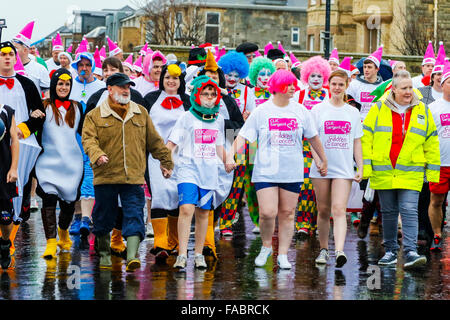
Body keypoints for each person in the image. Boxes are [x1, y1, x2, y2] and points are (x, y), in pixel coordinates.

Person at [228, 69, 327, 269]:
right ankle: (266, 246)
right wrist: (231, 155)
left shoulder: (300, 110)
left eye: (293, 84)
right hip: (266, 169)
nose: (293, 88)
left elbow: (313, 137)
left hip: (292, 169)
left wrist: (322, 160)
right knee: (267, 212)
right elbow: (243, 136)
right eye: (288, 85)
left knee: (288, 213)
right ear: (277, 87)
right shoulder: (262, 111)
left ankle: (282, 254)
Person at [82, 73, 174, 271]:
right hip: (105, 175)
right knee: (104, 216)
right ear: (110, 89)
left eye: (128, 87)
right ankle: (105, 254)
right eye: (122, 87)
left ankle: (132, 256)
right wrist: (97, 155)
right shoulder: (95, 115)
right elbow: (88, 140)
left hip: (133, 175)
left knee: (134, 214)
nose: (126, 90)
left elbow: (154, 141)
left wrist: (166, 161)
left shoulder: (140, 112)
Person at [362, 70, 440, 269]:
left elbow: (431, 141)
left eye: (410, 88)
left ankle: (411, 252)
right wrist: (366, 168)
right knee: (388, 212)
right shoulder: (378, 109)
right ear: (394, 90)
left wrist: (432, 173)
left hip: (411, 171)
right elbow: (366, 139)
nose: (408, 92)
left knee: (409, 210)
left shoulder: (422, 109)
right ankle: (390, 251)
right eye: (404, 88)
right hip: (384, 169)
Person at [168, 75, 233, 269]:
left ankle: (198, 254)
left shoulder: (219, 120)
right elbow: (171, 143)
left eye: (213, 94)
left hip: (209, 171)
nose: (210, 97)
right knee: (186, 209)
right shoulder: (186, 117)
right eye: (205, 93)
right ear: (197, 95)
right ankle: (181, 254)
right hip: (187, 168)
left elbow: (219, 146)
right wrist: (165, 162)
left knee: (204, 212)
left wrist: (228, 160)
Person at [310, 70, 363, 268]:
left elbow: (357, 142)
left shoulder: (353, 112)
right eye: (334, 84)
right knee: (323, 210)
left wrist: (360, 166)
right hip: (322, 168)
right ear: (328, 85)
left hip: (343, 168)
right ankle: (324, 249)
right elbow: (311, 139)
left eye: (341, 84)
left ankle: (339, 251)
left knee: (340, 209)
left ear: (347, 86)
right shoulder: (317, 110)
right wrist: (318, 161)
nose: (337, 88)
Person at [33, 69, 84, 259]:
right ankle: (51, 242)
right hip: (48, 162)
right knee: (49, 198)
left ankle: (63, 233)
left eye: (67, 84)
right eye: (60, 83)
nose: (63, 87)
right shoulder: (44, 106)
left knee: (69, 204)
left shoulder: (77, 108)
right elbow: (32, 126)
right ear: (54, 85)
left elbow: (87, 132)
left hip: (71, 163)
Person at [0, 41, 45, 256]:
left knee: (17, 190)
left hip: (23, 144)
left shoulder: (26, 83)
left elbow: (39, 113)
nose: (7, 58)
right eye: (3, 54)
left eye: (11, 54)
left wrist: (24, 129)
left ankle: (8, 243)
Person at [143, 62, 191, 262]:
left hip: (183, 157)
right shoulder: (150, 99)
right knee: (160, 194)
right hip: (156, 156)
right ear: (161, 80)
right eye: (167, 77)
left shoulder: (188, 101)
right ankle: (160, 241)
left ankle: (175, 241)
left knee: (178, 196)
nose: (171, 81)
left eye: (175, 78)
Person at [67, 51, 105, 238]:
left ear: (92, 67)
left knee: (90, 175)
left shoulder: (101, 87)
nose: (84, 68)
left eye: (87, 65)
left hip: (92, 138)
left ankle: (87, 218)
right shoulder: (70, 85)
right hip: (72, 138)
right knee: (75, 177)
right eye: (80, 65)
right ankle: (77, 216)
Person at [293, 55, 331, 239]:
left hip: (326, 146)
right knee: (306, 185)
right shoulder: (298, 96)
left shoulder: (330, 96)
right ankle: (303, 224)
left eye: (319, 76)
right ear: (306, 77)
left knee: (322, 186)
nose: (316, 79)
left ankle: (318, 222)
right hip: (303, 146)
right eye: (312, 76)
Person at [428, 61, 450, 252]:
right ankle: (436, 234)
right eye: (449, 81)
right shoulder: (433, 108)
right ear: (442, 84)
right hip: (440, 163)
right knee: (436, 200)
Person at [0, 102, 19, 270]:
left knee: (5, 219)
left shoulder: (5, 110)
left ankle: (5, 244)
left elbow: (15, 139)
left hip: (3, 171)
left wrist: (13, 168)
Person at [12, 21, 50, 97]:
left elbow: (47, 95)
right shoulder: (8, 68)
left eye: (15, 48)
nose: (12, 50)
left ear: (25, 50)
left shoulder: (40, 69)